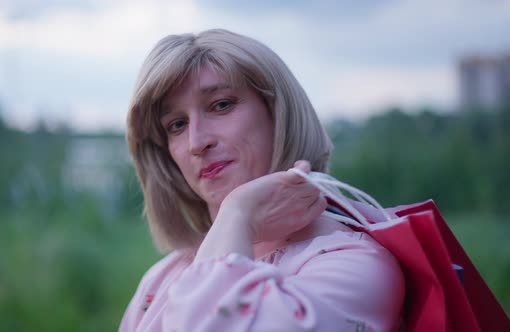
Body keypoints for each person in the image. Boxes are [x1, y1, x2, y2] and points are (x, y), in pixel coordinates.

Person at [120, 29, 404, 331]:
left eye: (221, 105)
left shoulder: (355, 266)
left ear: (278, 112)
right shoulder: (161, 279)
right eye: (177, 124)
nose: (196, 142)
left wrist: (238, 212)